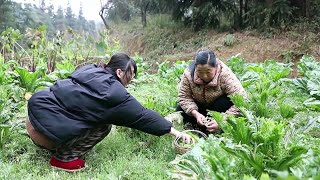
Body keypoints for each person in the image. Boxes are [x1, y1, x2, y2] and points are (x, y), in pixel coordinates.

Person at [26, 52, 192, 172]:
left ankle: (57, 142)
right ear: (119, 72)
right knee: (103, 126)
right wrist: (176, 132)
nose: (132, 78)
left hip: (32, 119)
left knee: (83, 114)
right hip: (44, 135)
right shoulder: (114, 93)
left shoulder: (88, 69)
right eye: (131, 74)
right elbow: (143, 115)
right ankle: (63, 159)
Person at [177, 49, 246, 134]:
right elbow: (184, 96)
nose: (204, 76)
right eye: (200, 72)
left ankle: (220, 130)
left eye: (208, 72)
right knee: (181, 108)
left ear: (216, 67)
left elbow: (242, 100)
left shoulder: (225, 74)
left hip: (219, 109)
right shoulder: (188, 74)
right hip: (200, 107)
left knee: (225, 102)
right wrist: (195, 113)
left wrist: (222, 119)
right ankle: (196, 130)